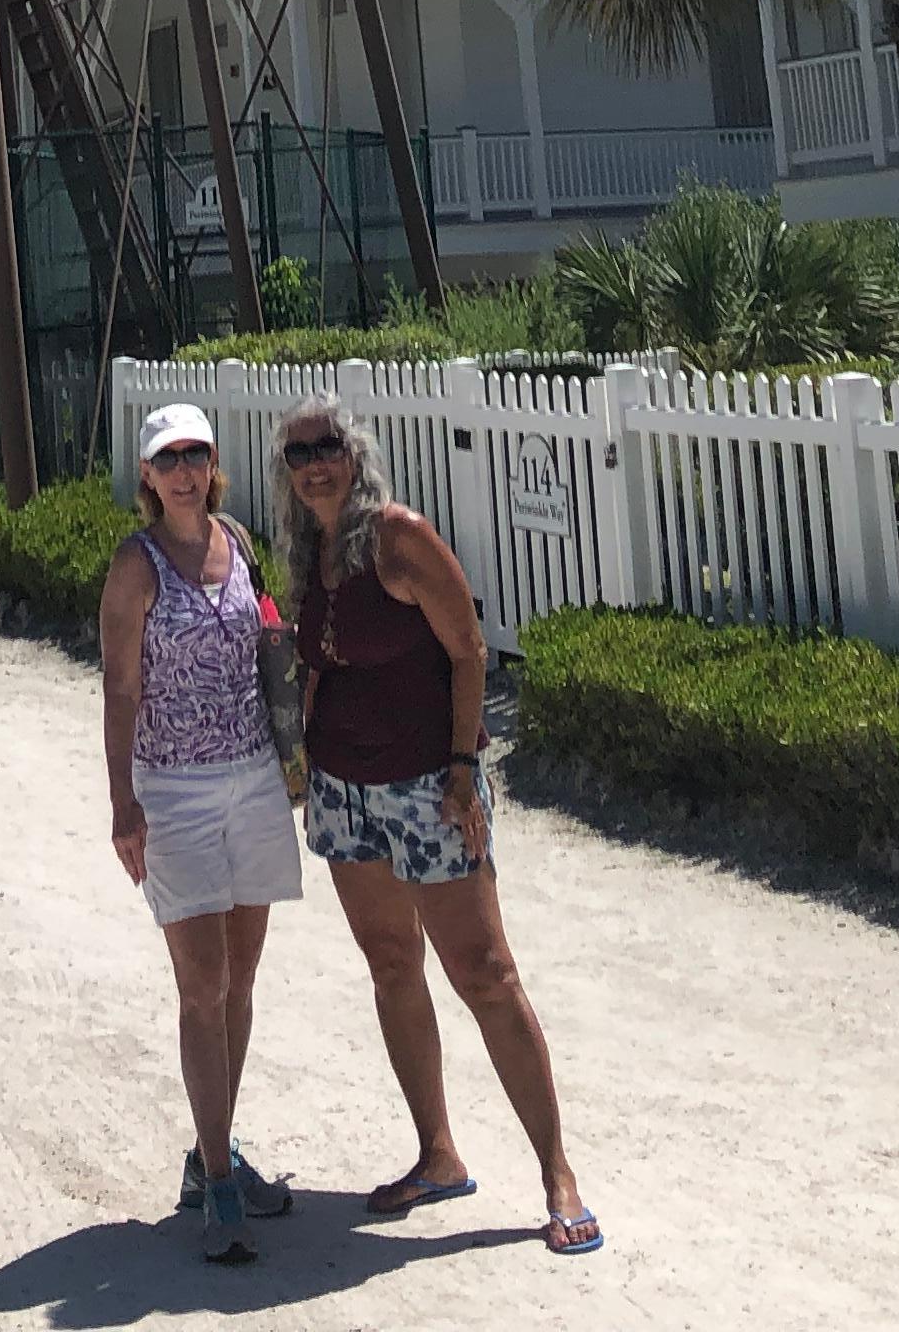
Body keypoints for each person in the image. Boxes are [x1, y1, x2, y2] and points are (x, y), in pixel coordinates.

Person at [277, 391, 601, 1259]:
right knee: (391, 965)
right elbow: (315, 667)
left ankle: (557, 1175)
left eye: (328, 445)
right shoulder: (307, 552)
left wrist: (464, 770)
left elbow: (468, 650)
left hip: (429, 786)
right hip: (346, 793)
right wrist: (301, 761)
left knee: (486, 973)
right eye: (298, 451)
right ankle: (438, 1154)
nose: (315, 462)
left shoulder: (396, 536)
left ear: (355, 452)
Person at [101, 400, 303, 1267]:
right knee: (203, 985)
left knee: (244, 977)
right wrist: (123, 805)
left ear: (213, 464)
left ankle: (208, 1150)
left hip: (253, 777)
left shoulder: (239, 541)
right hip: (175, 793)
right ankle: (220, 1179)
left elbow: (268, 646)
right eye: (168, 458)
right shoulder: (135, 567)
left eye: (196, 454)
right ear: (147, 475)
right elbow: (118, 689)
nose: (184, 470)